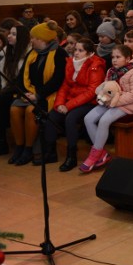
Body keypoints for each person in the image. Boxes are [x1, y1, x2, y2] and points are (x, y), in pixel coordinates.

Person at [8, 21, 68, 166]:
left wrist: (38, 95)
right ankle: (19, 147)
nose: (31, 40)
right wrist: (26, 92)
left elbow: (57, 80)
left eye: (34, 37)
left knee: (30, 111)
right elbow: (22, 76)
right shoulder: (32, 53)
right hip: (30, 93)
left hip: (48, 94)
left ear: (42, 39)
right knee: (14, 109)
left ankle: (29, 149)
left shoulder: (59, 53)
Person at [80, 44, 133, 172]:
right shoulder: (111, 71)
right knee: (88, 118)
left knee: (104, 120)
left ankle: (94, 156)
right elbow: (106, 87)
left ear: (128, 59)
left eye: (118, 57)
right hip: (111, 102)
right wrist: (103, 96)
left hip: (131, 105)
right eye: (113, 57)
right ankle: (102, 153)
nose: (114, 60)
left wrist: (114, 102)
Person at [45, 38, 105, 171]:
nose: (76, 53)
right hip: (72, 101)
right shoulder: (71, 63)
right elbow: (65, 85)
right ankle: (50, 153)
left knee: (70, 119)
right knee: (51, 116)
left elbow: (91, 92)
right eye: (75, 49)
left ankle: (71, 157)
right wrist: (60, 103)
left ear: (89, 53)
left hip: (90, 102)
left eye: (80, 50)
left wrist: (68, 106)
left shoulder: (96, 65)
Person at [0, 25, 31, 158]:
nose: (9, 36)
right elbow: (0, 77)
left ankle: (1, 143)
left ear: (21, 38)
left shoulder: (27, 54)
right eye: (10, 33)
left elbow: (18, 81)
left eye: (13, 34)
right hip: (6, 89)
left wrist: (1, 92)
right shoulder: (8, 53)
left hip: (20, 90)